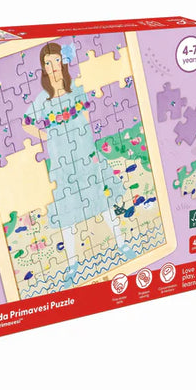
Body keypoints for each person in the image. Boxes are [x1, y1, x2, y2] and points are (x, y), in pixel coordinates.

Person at [23, 43, 126, 273]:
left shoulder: (77, 89)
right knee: (67, 215)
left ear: (63, 62)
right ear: (43, 68)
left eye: (56, 60)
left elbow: (85, 118)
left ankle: (121, 243)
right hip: (63, 166)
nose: (52, 66)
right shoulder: (42, 99)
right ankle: (72, 264)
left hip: (86, 157)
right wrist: (45, 135)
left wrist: (89, 147)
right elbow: (26, 122)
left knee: (103, 202)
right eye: (47, 63)